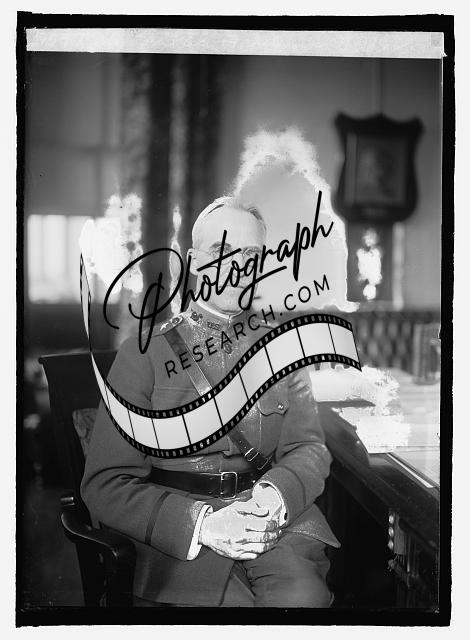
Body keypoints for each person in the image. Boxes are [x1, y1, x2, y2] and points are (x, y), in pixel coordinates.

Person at [81, 196, 339, 607]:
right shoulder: (144, 354)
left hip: (273, 527)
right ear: (193, 262)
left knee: (303, 599)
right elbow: (105, 483)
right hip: (183, 543)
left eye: (251, 255)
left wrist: (275, 496)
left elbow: (309, 448)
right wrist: (203, 525)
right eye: (221, 250)